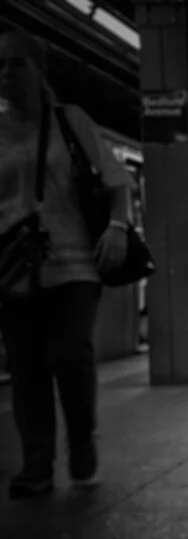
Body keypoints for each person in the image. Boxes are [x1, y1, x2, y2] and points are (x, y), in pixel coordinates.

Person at [0, 30, 133, 498]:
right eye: (0, 66)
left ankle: (80, 439)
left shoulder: (69, 122)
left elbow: (117, 182)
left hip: (76, 263)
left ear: (37, 71)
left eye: (14, 64)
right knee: (26, 365)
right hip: (14, 270)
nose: (5, 74)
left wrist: (117, 228)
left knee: (69, 354)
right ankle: (37, 462)